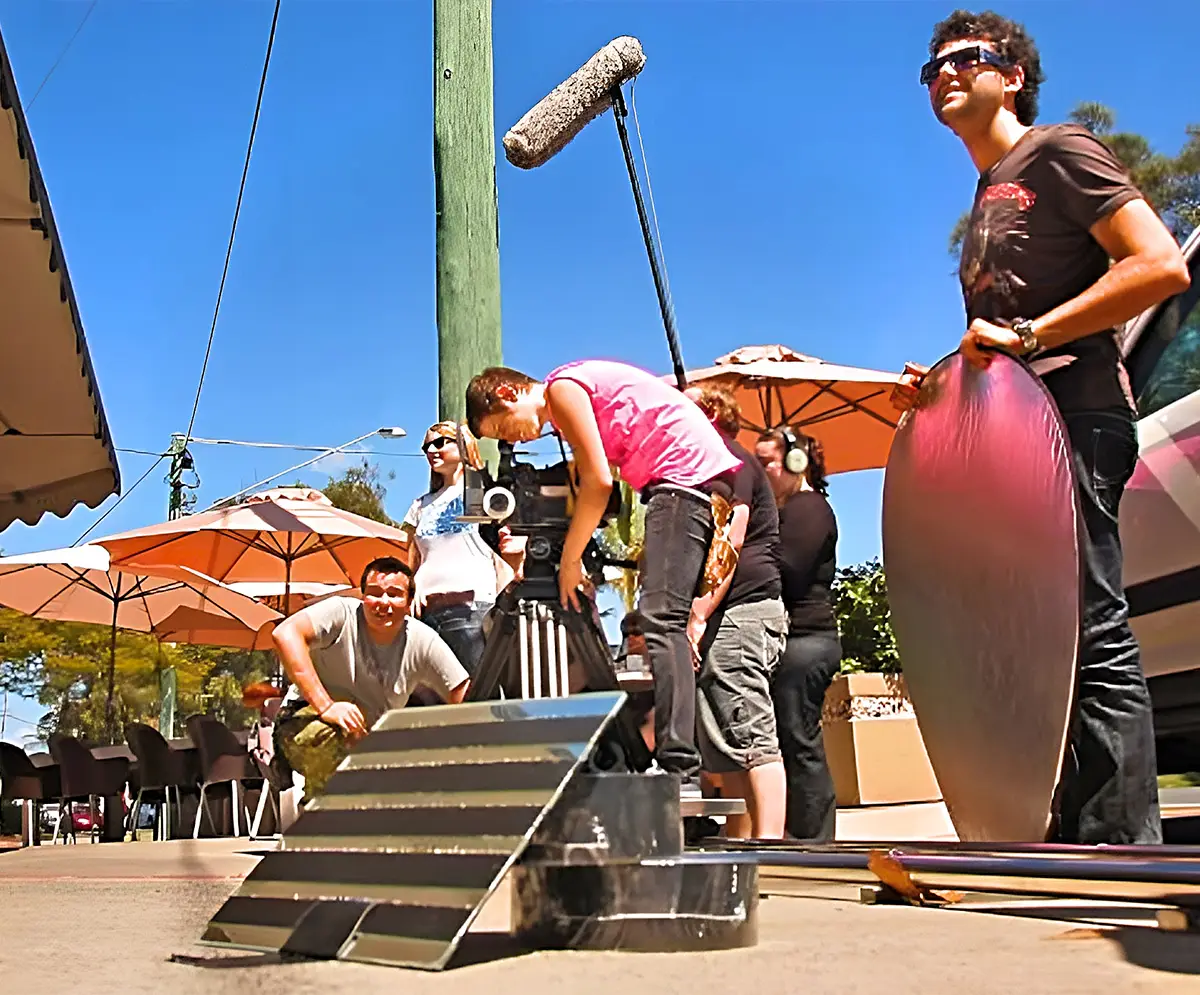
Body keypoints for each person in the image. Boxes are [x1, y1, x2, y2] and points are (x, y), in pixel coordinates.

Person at [894, 10, 1190, 844]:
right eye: (933, 68)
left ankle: (1123, 845)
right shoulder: (988, 192)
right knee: (1032, 636)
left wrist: (1027, 337)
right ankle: (1064, 828)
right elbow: (1004, 336)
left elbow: (1159, 263)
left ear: (1013, 74)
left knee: (1087, 621)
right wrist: (950, 381)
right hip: (1017, 433)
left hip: (1078, 413)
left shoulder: (1057, 151)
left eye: (967, 59)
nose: (945, 73)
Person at [466, 360, 742, 785]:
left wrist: (571, 561)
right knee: (664, 621)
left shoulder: (561, 389)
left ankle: (679, 765)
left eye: (504, 430)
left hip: (681, 479)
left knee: (661, 622)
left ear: (507, 394)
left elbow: (597, 483)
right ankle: (677, 760)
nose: (515, 439)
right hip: (684, 479)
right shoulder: (565, 409)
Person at [270, 556, 469, 799]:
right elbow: (285, 633)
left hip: (372, 742)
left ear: (408, 603)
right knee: (334, 738)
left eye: (394, 594)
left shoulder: (422, 640)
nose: (383, 602)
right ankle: (321, 823)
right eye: (374, 593)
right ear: (362, 597)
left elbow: (466, 697)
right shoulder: (340, 613)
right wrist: (327, 707)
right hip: (304, 721)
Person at [686, 385, 788, 839]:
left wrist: (699, 612)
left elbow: (730, 538)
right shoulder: (711, 465)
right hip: (730, 614)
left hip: (741, 611)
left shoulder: (727, 460)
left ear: (708, 411)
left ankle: (769, 849)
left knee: (750, 731)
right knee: (727, 736)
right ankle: (740, 839)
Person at [755, 428, 842, 841]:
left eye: (766, 462)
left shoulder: (809, 509)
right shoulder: (790, 511)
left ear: (795, 463)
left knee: (798, 738)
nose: (760, 472)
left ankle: (815, 840)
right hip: (796, 641)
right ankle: (803, 834)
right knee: (790, 739)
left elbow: (787, 570)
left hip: (806, 641)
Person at [401, 420, 522, 676]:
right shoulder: (419, 505)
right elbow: (411, 559)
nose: (431, 451)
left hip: (473, 608)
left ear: (463, 443)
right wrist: (412, 588)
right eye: (426, 448)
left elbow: (507, 542)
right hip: (425, 614)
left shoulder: (484, 492)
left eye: (439, 442)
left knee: (479, 694)